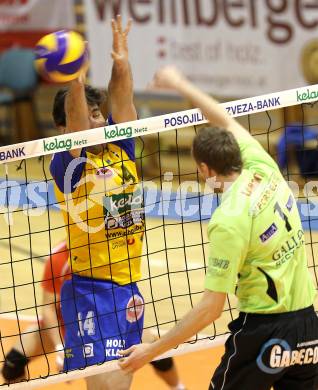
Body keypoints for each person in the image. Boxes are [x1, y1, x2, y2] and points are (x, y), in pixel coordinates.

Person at [118, 66, 318, 390]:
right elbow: (223, 119)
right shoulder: (263, 165)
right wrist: (181, 83)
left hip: (263, 334)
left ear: (204, 169)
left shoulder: (228, 219)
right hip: (308, 326)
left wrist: (150, 351)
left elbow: (210, 309)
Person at [2, 241, 186, 390]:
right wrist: (62, 348)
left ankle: (178, 387)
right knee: (12, 364)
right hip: (65, 326)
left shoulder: (110, 252)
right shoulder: (59, 257)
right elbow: (48, 308)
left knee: (154, 349)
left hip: (104, 325)